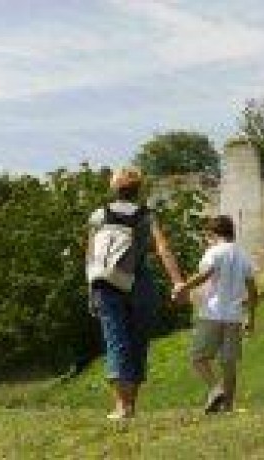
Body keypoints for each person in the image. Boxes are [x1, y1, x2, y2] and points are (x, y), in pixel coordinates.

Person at [86, 167, 184, 420]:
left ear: (114, 189)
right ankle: (131, 404)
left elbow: (91, 257)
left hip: (107, 284)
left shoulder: (98, 216)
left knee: (116, 340)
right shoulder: (147, 216)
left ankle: (122, 406)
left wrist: (92, 290)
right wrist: (177, 282)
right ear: (138, 190)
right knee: (138, 342)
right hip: (141, 284)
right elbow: (163, 249)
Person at [172, 215, 259, 414]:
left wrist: (183, 287)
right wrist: (251, 318)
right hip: (235, 316)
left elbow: (205, 275)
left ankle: (215, 389)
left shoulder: (214, 252)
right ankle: (228, 406)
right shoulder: (243, 255)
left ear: (212, 234)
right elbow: (253, 291)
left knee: (198, 357)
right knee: (229, 362)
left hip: (211, 312)